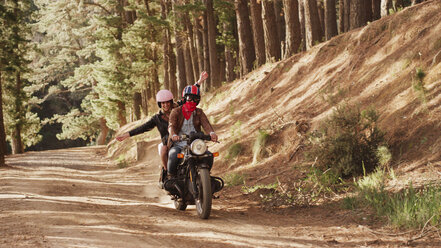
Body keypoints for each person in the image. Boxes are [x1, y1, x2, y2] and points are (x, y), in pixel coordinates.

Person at [115, 71, 209, 172]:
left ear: (171, 101)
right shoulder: (157, 118)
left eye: (167, 102)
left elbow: (189, 95)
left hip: (186, 139)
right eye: (163, 103)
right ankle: (167, 172)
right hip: (170, 142)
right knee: (164, 150)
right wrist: (127, 134)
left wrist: (199, 82)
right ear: (160, 104)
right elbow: (142, 128)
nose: (166, 105)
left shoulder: (180, 107)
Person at [167, 81, 218, 179]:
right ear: (184, 98)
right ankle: (171, 178)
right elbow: (171, 126)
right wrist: (173, 135)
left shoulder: (199, 112)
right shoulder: (176, 111)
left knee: (209, 156)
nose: (191, 101)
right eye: (189, 98)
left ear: (198, 101)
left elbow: (206, 123)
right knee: (173, 155)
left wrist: (212, 133)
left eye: (195, 99)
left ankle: (206, 177)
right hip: (179, 144)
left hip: (196, 144)